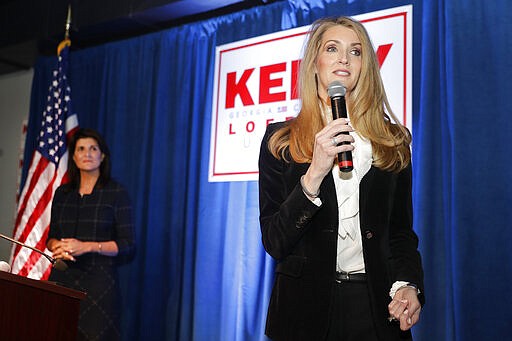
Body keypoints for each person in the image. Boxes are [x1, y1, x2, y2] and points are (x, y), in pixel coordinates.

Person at [258, 16, 425, 341]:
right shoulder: (280, 141)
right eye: (332, 48)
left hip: (376, 307)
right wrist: (315, 172)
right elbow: (275, 241)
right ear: (315, 64)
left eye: (356, 51)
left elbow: (401, 234)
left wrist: (408, 284)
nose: (344, 59)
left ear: (366, 66)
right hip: (303, 312)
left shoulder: (392, 140)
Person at [46, 128, 135, 341]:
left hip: (98, 285)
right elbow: (51, 237)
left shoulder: (116, 193)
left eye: (93, 148)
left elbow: (127, 244)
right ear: (74, 156)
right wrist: (56, 245)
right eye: (81, 149)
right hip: (62, 277)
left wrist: (87, 246)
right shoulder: (62, 193)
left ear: (102, 156)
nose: (87, 153)